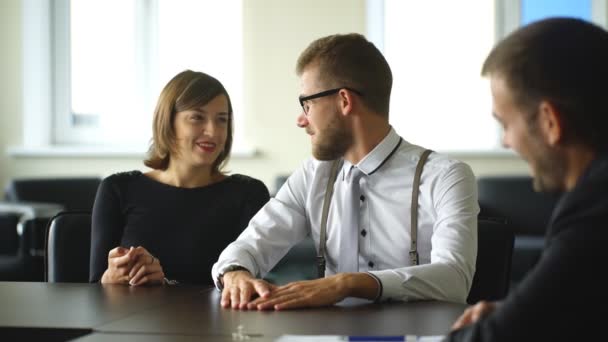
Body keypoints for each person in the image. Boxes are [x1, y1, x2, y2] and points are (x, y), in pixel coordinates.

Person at [212, 33, 479, 310]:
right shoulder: (312, 175)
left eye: (308, 104)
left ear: (344, 101)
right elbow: (251, 244)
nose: (301, 119)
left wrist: (347, 284)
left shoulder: (445, 176)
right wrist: (235, 272)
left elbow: (454, 278)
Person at [446, 18, 608, 341]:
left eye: (505, 123)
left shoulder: (593, 211)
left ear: (550, 121)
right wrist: (520, 312)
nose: (506, 141)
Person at [90, 70, 270, 286]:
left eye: (222, 120)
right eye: (197, 118)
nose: (213, 131)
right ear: (168, 122)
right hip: (137, 319)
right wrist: (112, 278)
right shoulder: (117, 189)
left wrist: (165, 284)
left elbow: (248, 288)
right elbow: (94, 289)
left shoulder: (249, 195)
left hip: (219, 320)